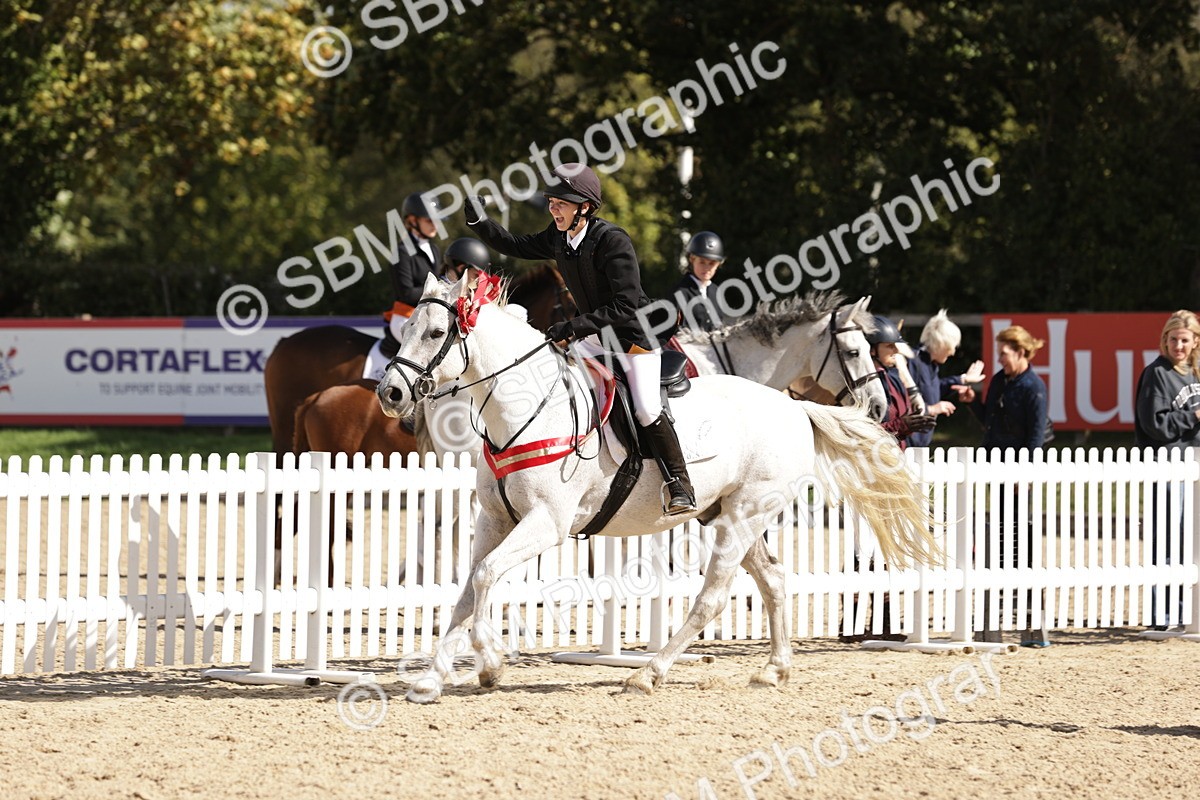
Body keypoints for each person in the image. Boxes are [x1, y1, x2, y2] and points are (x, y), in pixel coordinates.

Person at [464, 163, 696, 514]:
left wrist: (573, 327)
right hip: (595, 335)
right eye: (552, 201)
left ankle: (679, 484)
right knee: (555, 379)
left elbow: (624, 306)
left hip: (634, 338)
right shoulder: (561, 238)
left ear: (584, 207)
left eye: (561, 202)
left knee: (646, 407)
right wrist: (479, 223)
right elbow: (516, 244)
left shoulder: (613, 241)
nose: (552, 208)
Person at [960, 325, 1051, 647]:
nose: (1000, 358)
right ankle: (996, 606)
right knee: (997, 535)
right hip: (994, 468)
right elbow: (990, 420)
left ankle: (1028, 612)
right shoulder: (999, 380)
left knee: (1019, 538)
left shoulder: (1034, 388)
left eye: (1004, 353)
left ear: (1021, 353)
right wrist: (973, 401)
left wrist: (1023, 474)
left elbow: (1035, 437)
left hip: (1017, 474)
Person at [1134, 310, 1200, 630]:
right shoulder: (1157, 374)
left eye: (1184, 340)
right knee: (1166, 542)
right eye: (1172, 339)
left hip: (1193, 469)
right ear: (1165, 340)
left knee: (1190, 544)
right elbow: (1155, 424)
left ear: (1195, 342)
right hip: (1168, 467)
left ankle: (1184, 612)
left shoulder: (1195, 373)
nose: (1178, 346)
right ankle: (1162, 615)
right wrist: (1193, 417)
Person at [363, 192, 444, 382]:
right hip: (405, 317)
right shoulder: (401, 252)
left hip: (426, 315)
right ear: (411, 220)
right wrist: (438, 292)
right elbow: (406, 293)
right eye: (429, 220)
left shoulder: (433, 249)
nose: (435, 224)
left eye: (437, 219)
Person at [902, 309, 987, 448]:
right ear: (941, 343)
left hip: (919, 446)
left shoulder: (929, 364)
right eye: (952, 346)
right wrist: (933, 409)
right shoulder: (913, 362)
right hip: (908, 445)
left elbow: (931, 391)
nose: (953, 352)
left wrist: (962, 379)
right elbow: (902, 402)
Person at [868, 315, 935, 449]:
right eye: (889, 346)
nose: (896, 350)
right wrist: (901, 425)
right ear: (872, 350)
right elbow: (864, 433)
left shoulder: (891, 377)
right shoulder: (865, 386)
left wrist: (913, 423)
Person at [668, 231, 725, 333]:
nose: (706, 268)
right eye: (702, 262)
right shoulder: (680, 292)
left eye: (711, 263)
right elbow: (676, 333)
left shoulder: (716, 291)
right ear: (692, 259)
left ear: (718, 265)